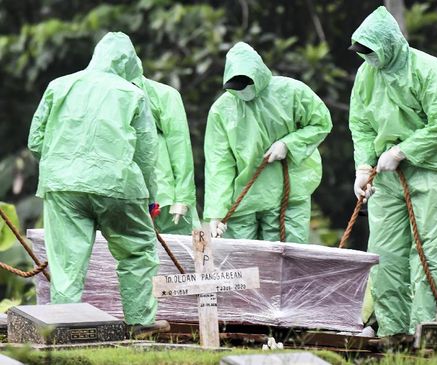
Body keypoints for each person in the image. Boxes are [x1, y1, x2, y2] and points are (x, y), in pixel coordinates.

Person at [27, 32, 167, 336]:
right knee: (137, 251)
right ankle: (140, 322)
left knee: (66, 262)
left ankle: (61, 328)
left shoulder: (59, 85)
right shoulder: (132, 94)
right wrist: (150, 198)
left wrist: (63, 166)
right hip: (118, 185)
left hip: (63, 186)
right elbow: (145, 154)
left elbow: (35, 141)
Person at [348, 6, 437, 337]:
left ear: (390, 44)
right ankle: (392, 334)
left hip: (434, 168)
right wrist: (364, 165)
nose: (367, 58)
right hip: (387, 174)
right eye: (363, 52)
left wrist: (404, 150)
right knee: (385, 252)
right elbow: (360, 123)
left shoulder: (430, 70)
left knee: (431, 253)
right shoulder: (366, 74)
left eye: (371, 51)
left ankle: (427, 333)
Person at [204, 42, 332, 242]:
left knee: (287, 260)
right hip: (243, 199)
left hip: (287, 196)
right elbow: (218, 163)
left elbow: (321, 123)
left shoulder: (291, 92)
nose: (241, 90)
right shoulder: (222, 109)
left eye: (244, 84)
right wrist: (215, 212)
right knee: (241, 264)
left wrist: (288, 144)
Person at [131, 58, 198, 235]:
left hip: (165, 196)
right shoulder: (109, 96)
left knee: (181, 255)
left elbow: (179, 146)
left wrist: (182, 197)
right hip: (128, 195)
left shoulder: (164, 95)